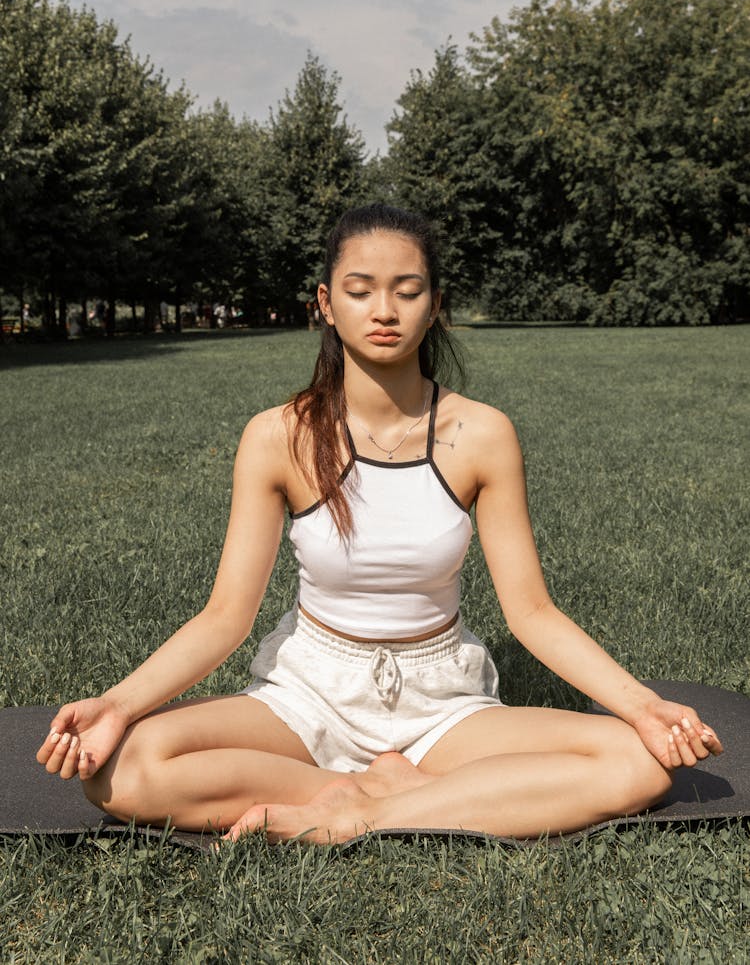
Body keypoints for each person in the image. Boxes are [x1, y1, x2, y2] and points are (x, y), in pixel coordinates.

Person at [37, 204, 722, 843]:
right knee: (121, 769)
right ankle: (361, 790)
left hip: (442, 700)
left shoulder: (483, 433)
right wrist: (118, 703)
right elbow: (225, 617)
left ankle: (369, 811)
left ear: (435, 307)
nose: (385, 310)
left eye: (408, 290)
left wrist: (641, 706)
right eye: (361, 290)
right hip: (308, 693)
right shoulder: (279, 435)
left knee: (641, 763)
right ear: (326, 305)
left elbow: (533, 611)